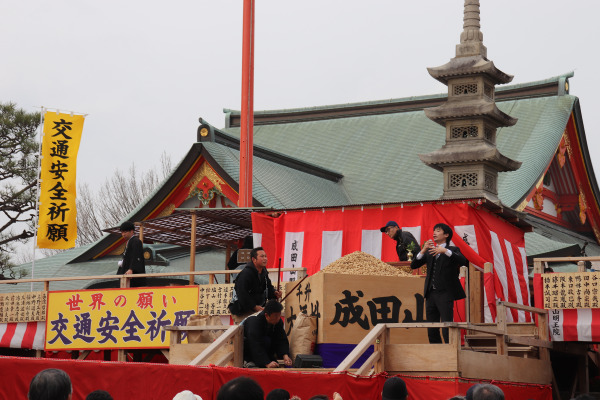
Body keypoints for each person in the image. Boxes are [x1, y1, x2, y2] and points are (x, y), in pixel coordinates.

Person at [410, 223, 467, 344]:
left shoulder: (453, 250)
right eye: (434, 231)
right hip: (431, 293)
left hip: (445, 293)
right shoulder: (430, 251)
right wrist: (424, 250)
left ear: (446, 234)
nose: (434, 233)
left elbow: (464, 261)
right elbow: (413, 265)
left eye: (438, 231)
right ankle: (436, 351)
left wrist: (445, 251)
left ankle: (449, 350)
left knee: (446, 326)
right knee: (432, 328)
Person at [228, 246, 281, 323]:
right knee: (245, 332)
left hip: (256, 309)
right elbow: (242, 294)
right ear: (254, 259)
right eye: (262, 256)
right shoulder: (246, 274)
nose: (265, 258)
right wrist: (254, 306)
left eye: (265, 256)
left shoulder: (264, 272)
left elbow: (268, 287)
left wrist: (274, 293)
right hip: (242, 311)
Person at [243, 299, 293, 368]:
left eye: (279, 315)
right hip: (249, 351)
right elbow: (255, 343)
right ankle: (250, 362)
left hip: (265, 351)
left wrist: (285, 355)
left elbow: (281, 338)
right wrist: (266, 363)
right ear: (266, 315)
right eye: (275, 316)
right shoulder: (254, 322)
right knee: (264, 340)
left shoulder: (278, 322)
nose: (278, 318)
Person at [117, 221, 146, 287]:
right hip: (126, 271)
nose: (123, 234)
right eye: (122, 232)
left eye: (125, 232)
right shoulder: (129, 242)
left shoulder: (136, 241)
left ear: (131, 231)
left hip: (133, 275)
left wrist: (131, 269)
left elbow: (136, 256)